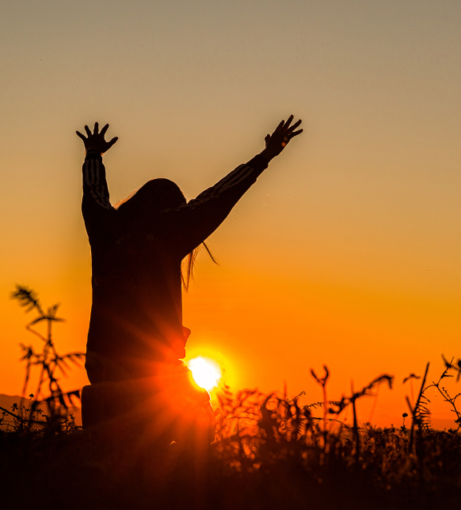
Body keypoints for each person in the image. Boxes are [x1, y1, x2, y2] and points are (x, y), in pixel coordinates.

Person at [77, 116, 303, 442]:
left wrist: (93, 154)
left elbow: (94, 191)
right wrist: (264, 158)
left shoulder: (104, 228)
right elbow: (218, 196)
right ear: (170, 210)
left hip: (100, 364)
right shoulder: (169, 232)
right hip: (148, 369)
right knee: (195, 423)